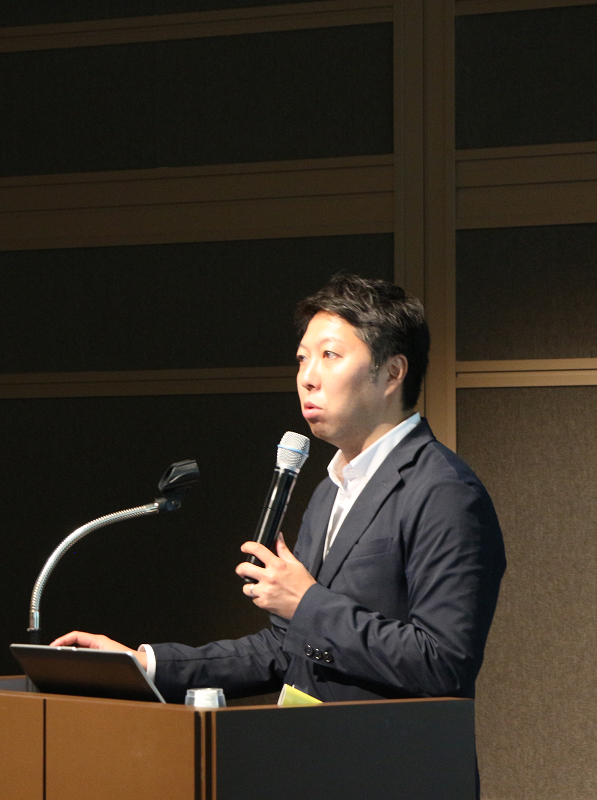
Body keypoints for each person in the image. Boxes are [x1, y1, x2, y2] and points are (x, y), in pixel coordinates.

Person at [54, 274, 506, 704]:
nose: (307, 376)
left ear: (392, 373)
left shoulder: (444, 491)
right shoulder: (330, 490)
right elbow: (285, 646)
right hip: (309, 750)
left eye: (329, 356)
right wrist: (144, 664)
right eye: (302, 358)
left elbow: (444, 662)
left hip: (387, 754)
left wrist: (307, 603)